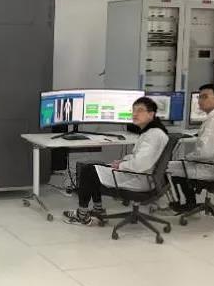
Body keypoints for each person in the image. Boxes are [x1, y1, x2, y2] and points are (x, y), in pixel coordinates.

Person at [64, 96, 169, 226]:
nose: (135, 114)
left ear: (151, 114)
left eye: (140, 110)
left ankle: (82, 216)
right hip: (144, 177)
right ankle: (98, 211)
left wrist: (121, 165)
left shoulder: (153, 135)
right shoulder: (154, 132)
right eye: (134, 110)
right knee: (95, 167)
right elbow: (140, 158)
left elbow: (140, 164)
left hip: (139, 178)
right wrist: (122, 161)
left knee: (88, 171)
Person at [168, 83, 214, 213]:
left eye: (205, 97)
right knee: (176, 165)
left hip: (210, 169)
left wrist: (188, 157)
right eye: (199, 97)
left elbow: (205, 153)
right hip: (211, 165)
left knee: (169, 168)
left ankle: (187, 204)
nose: (200, 100)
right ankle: (189, 202)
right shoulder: (212, 119)